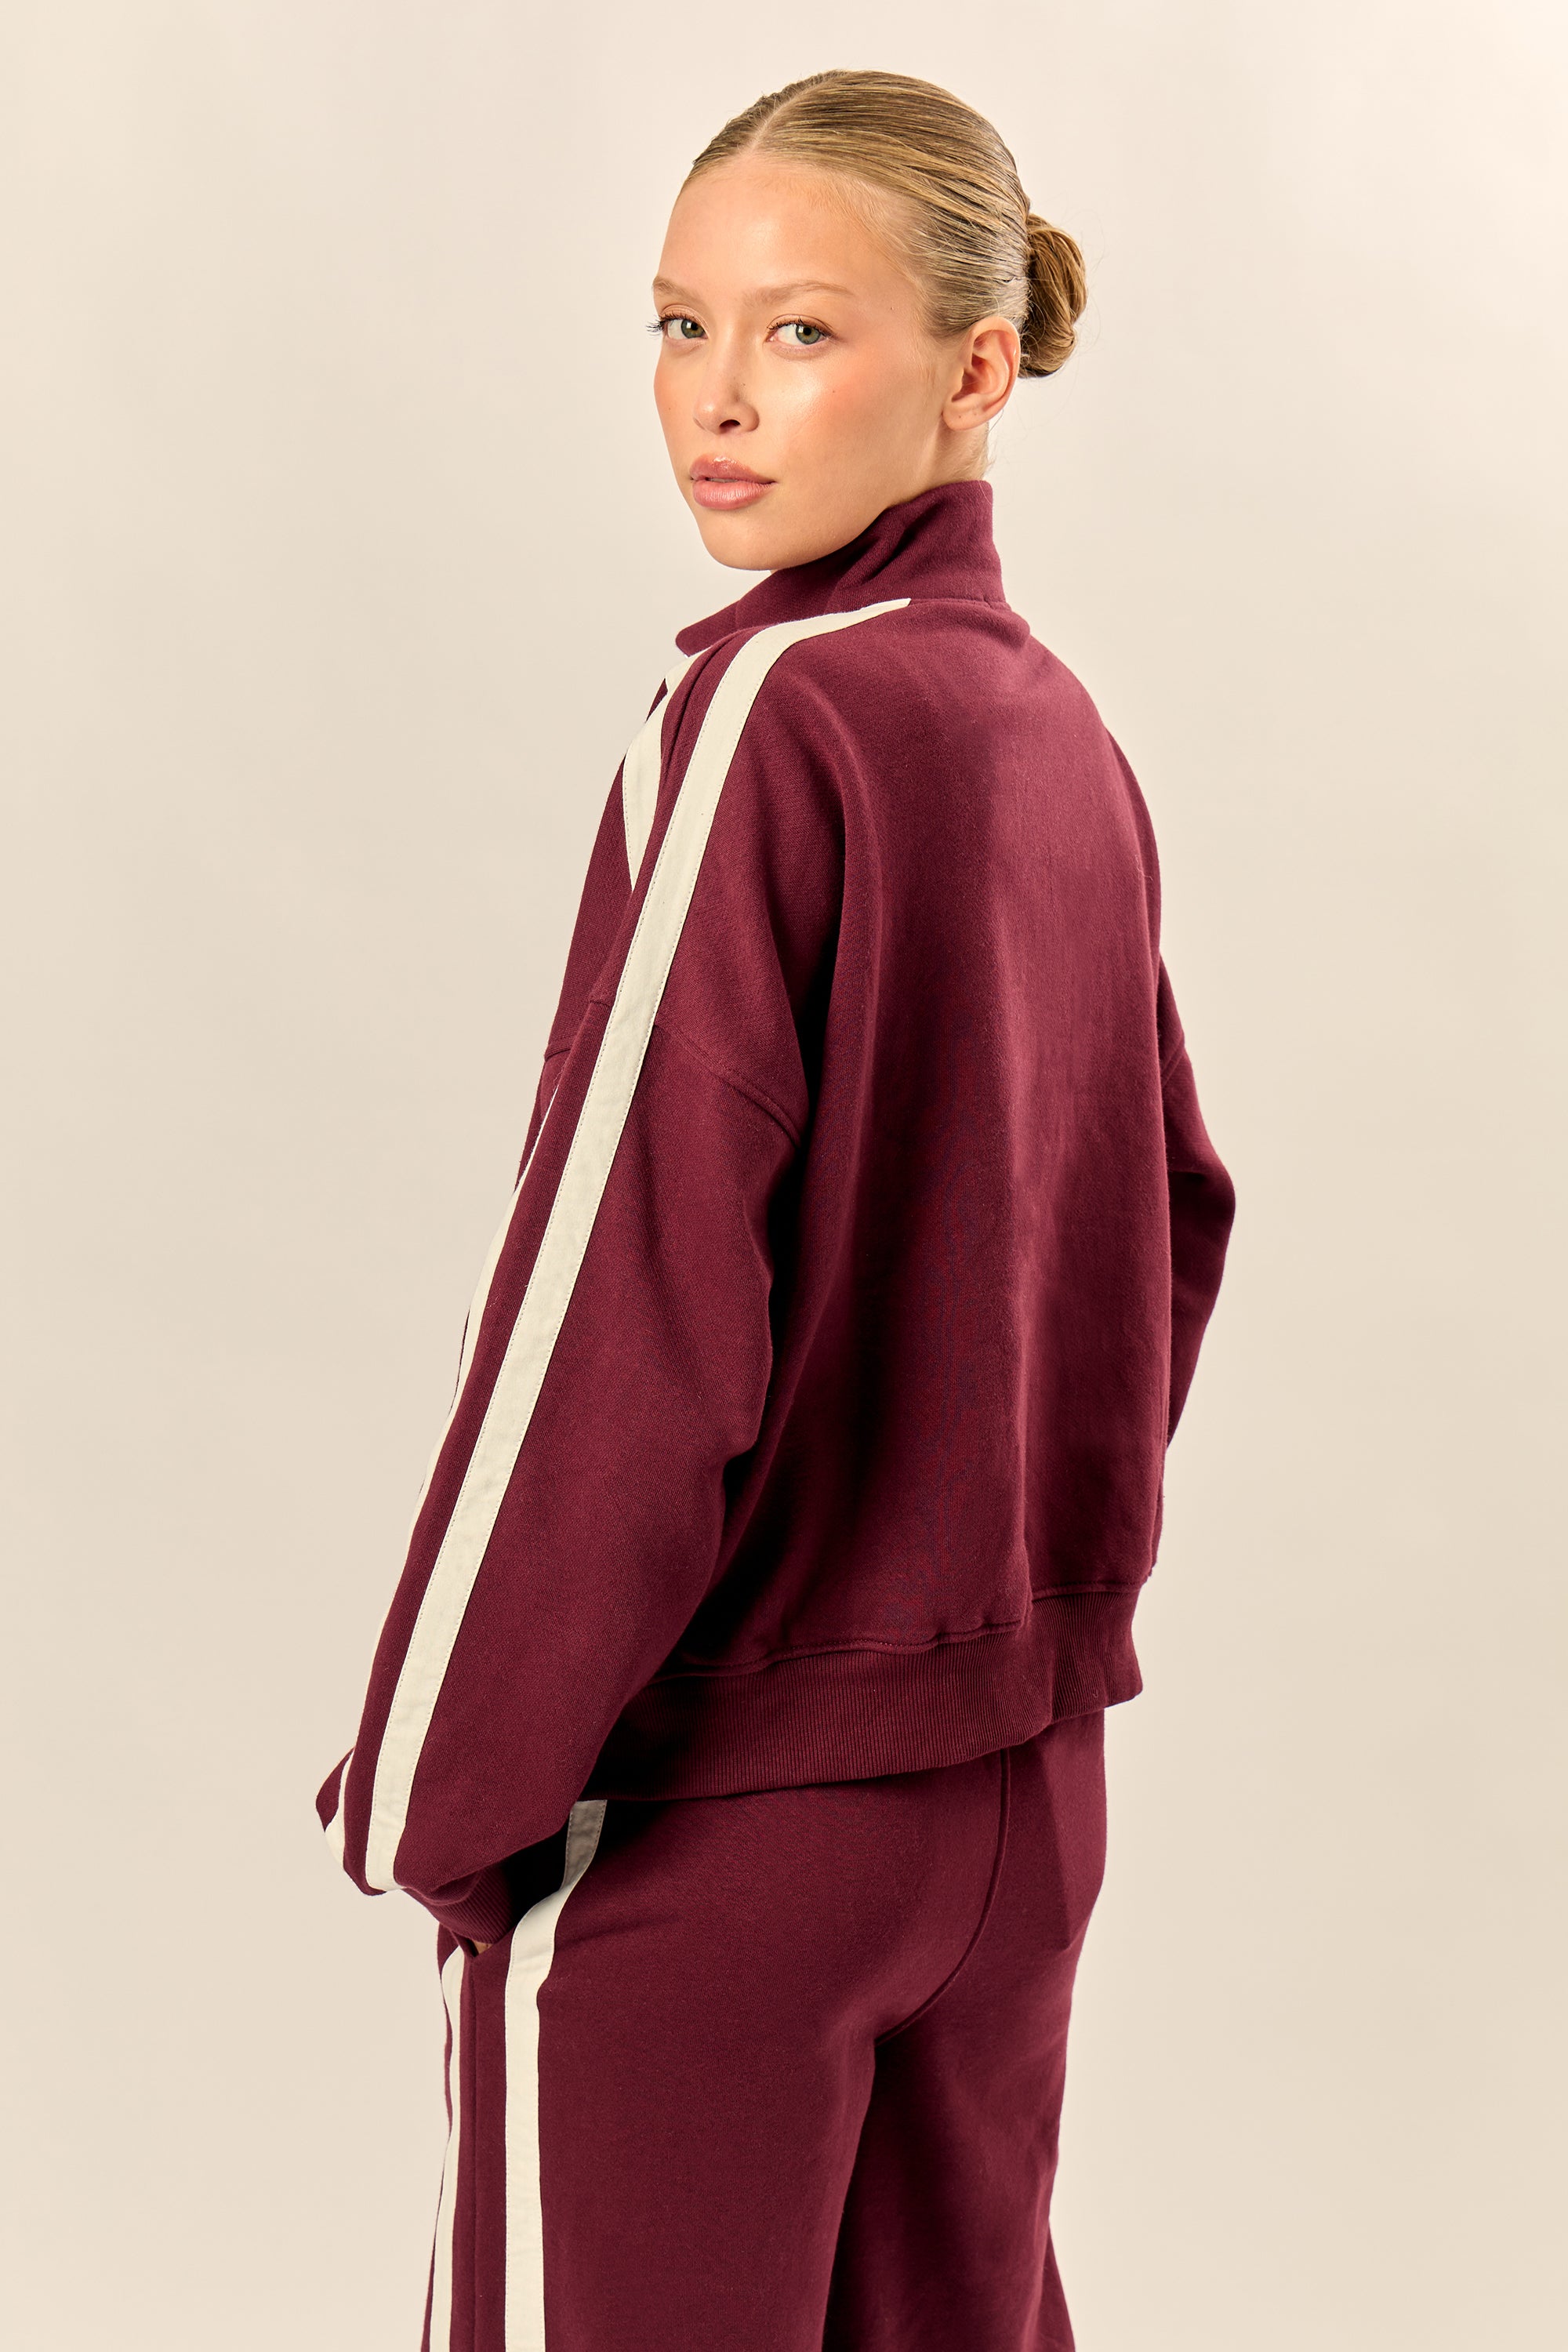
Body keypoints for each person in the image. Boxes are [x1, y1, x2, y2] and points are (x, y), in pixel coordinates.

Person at [318, 67, 1234, 2352]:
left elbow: (619, 1289)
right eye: (679, 325)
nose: (716, 400)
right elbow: (1173, 1217)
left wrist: (439, 1775)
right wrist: (1002, 1615)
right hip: (1016, 1808)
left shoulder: (766, 722)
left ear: (978, 367)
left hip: (730, 1824)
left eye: (800, 332)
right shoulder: (1058, 738)